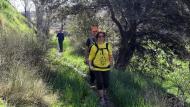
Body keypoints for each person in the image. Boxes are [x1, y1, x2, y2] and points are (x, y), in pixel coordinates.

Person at [88, 32, 113, 105]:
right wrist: (90, 65)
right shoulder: (94, 46)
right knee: (99, 83)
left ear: (104, 37)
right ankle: (101, 98)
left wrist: (112, 64)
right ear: (97, 37)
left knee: (106, 83)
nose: (101, 38)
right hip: (97, 68)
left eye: (102, 36)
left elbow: (110, 55)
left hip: (106, 68)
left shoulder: (108, 45)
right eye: (99, 36)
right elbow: (90, 57)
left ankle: (105, 95)